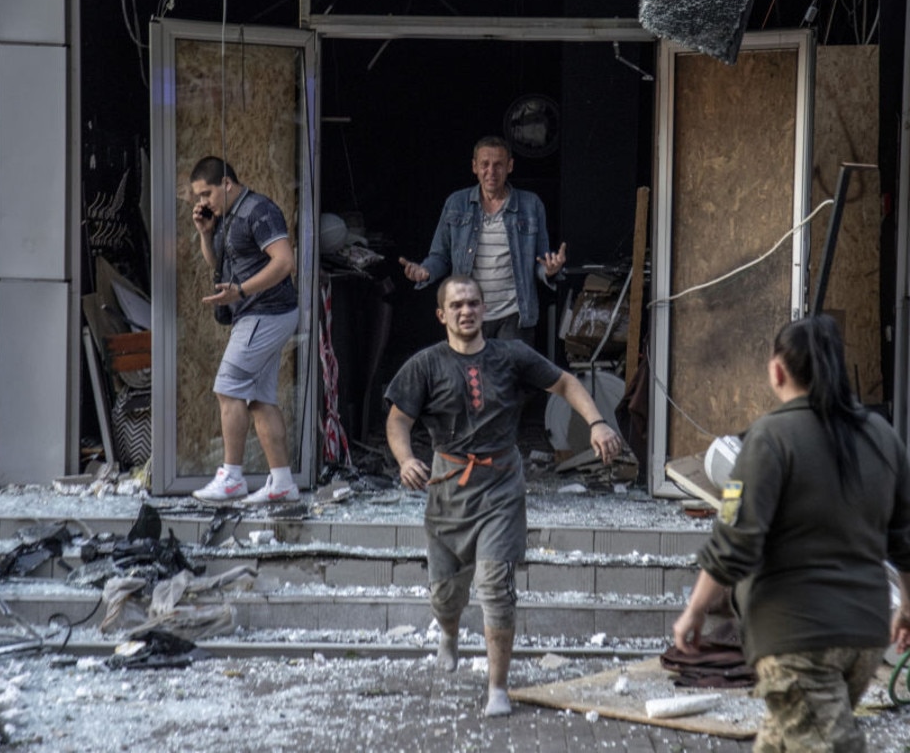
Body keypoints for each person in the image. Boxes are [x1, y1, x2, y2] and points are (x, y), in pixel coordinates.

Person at [384, 275, 622, 717]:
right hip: (448, 486)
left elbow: (565, 383)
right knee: (445, 593)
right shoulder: (425, 365)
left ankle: (497, 688)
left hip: (500, 484)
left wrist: (596, 422)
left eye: (473, 303)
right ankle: (449, 633)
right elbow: (398, 421)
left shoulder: (511, 355)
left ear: (484, 309)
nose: (466, 311)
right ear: (442, 315)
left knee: (495, 585)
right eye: (456, 305)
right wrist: (404, 460)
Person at [672, 315, 910, 751]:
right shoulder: (883, 436)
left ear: (777, 371)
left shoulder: (768, 438)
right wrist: (907, 607)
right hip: (865, 635)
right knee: (784, 741)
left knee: (826, 742)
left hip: (797, 638)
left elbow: (734, 541)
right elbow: (905, 541)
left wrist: (695, 611)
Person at [188, 155, 300, 506]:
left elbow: (285, 261)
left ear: (226, 183)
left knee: (227, 389)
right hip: (255, 313)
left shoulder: (258, 210)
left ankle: (231, 477)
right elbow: (219, 264)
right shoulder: (224, 218)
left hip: (264, 312)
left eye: (206, 193)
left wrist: (242, 291)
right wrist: (206, 235)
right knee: (258, 400)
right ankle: (282, 483)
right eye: (197, 197)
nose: (202, 202)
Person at [397, 135, 566, 344]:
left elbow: (541, 260)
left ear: (510, 166)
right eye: (485, 164)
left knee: (510, 377)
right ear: (474, 166)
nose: (491, 172)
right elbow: (440, 256)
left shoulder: (531, 205)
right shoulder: (457, 203)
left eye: (498, 165)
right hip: (468, 313)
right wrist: (426, 271)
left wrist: (549, 270)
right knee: (471, 376)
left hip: (514, 315)